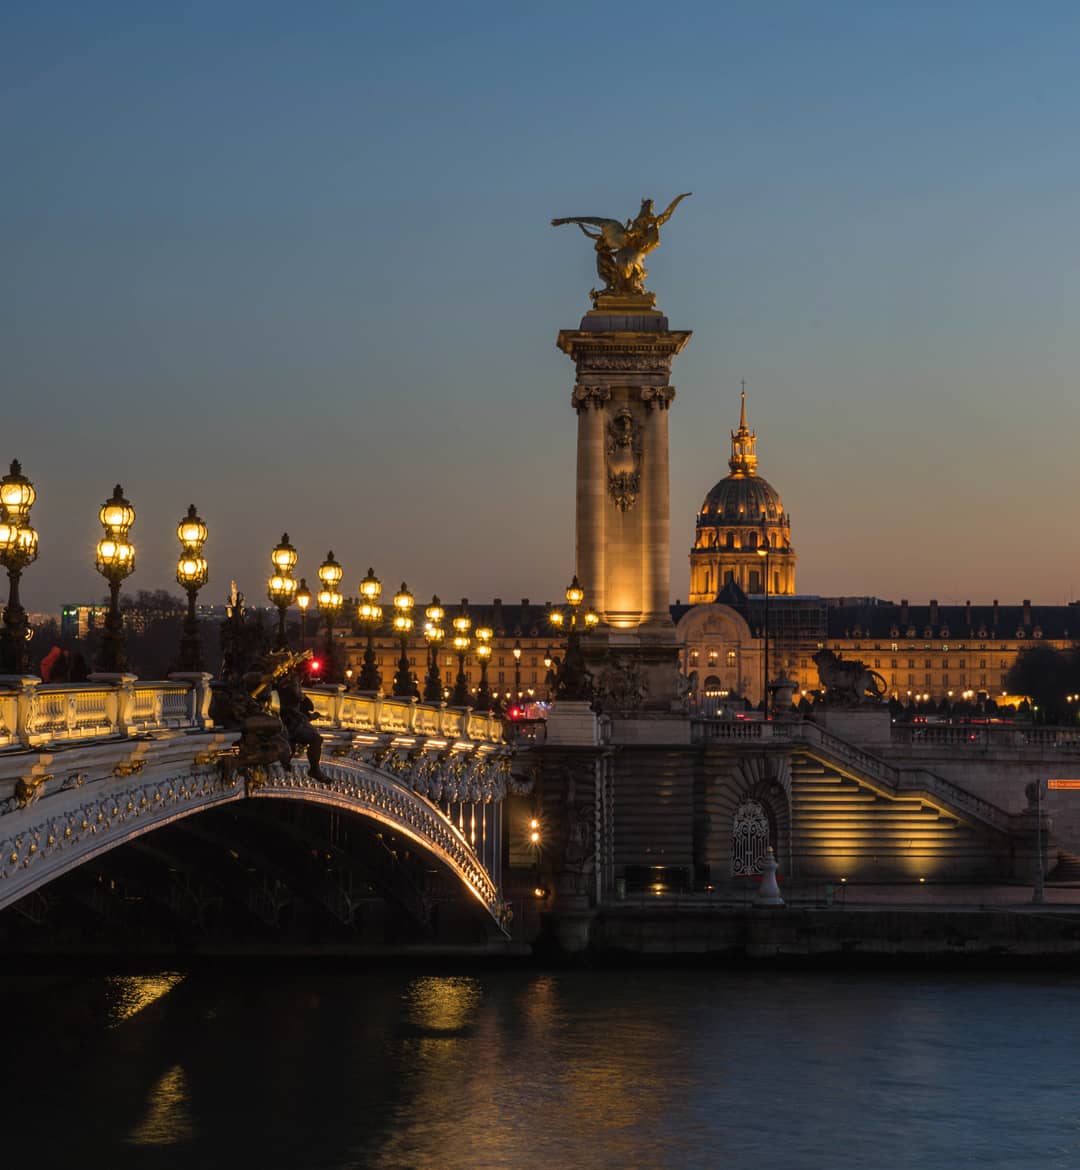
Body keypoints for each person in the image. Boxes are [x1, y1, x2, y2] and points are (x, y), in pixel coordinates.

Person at [276, 668, 326, 781]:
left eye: (299, 685)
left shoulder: (294, 697)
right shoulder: (284, 695)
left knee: (317, 738)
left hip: (295, 723)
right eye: (296, 685)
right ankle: (314, 769)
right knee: (316, 739)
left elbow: (308, 707)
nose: (299, 688)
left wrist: (311, 713)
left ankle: (315, 769)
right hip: (290, 724)